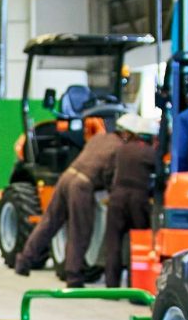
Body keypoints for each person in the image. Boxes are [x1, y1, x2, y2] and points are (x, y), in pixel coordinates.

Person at [14, 119, 123, 286]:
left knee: (48, 222)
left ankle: (24, 261)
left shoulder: (99, 138)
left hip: (66, 177)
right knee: (79, 231)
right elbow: (109, 174)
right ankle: (73, 277)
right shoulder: (120, 148)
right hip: (82, 185)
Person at [103, 114, 158, 288]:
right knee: (139, 243)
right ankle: (135, 286)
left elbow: (107, 173)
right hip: (138, 200)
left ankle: (112, 287)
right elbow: (160, 178)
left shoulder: (121, 149)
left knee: (113, 243)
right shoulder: (151, 153)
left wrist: (112, 191)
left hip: (117, 198)